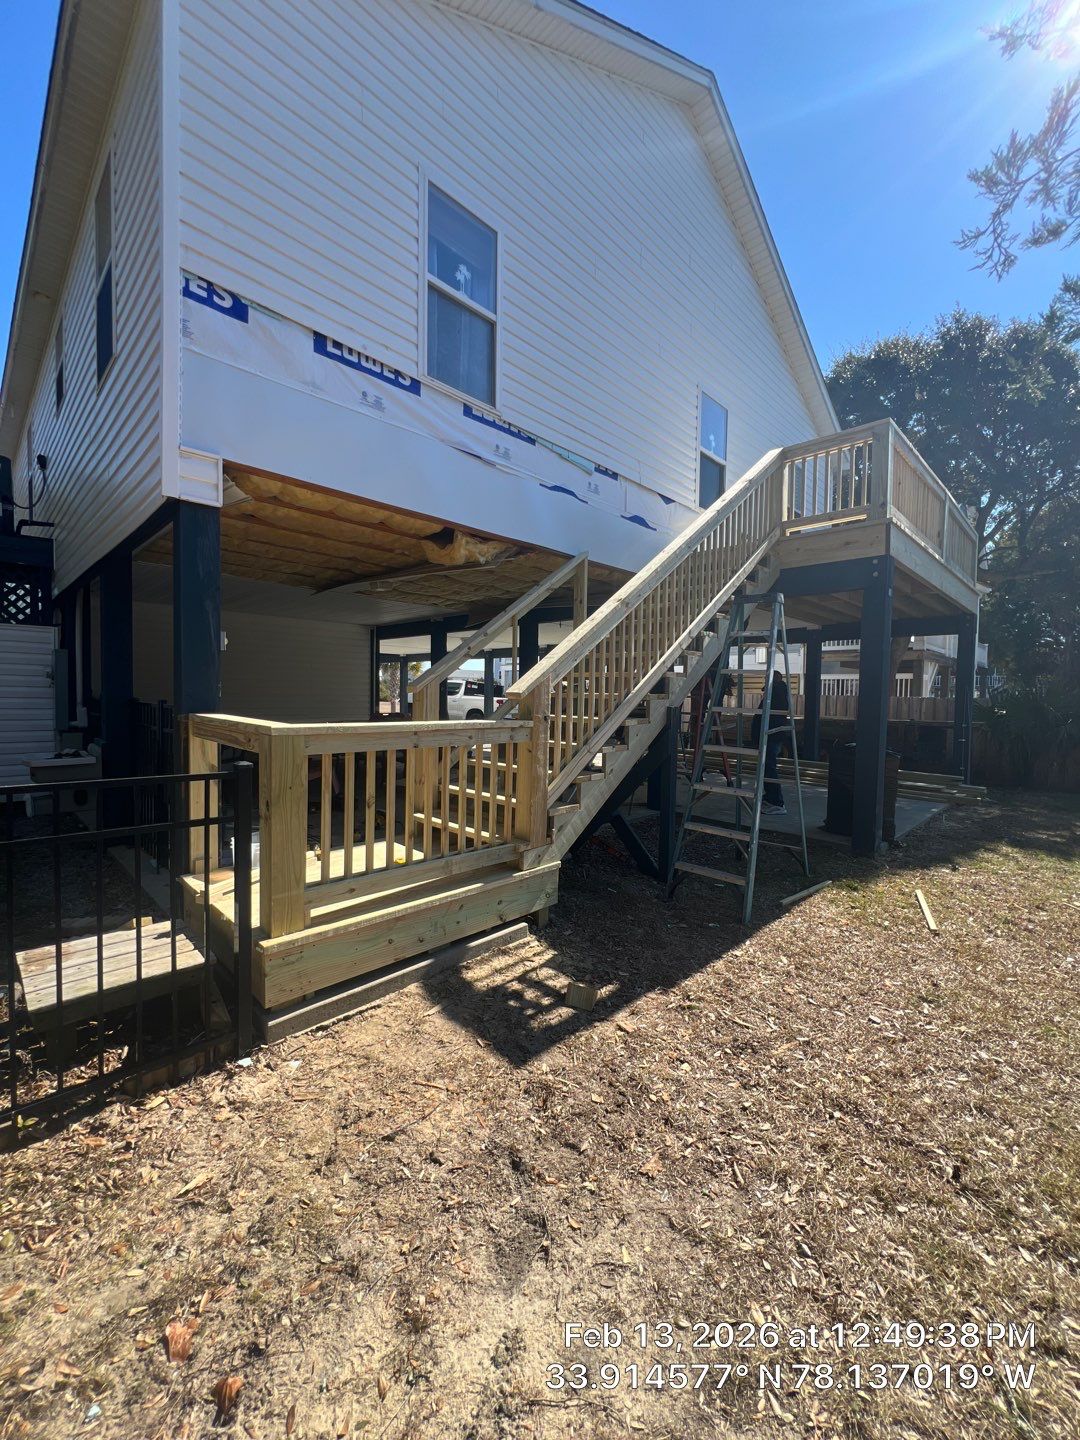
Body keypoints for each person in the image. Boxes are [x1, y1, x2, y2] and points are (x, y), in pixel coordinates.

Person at [751, 670, 790, 814]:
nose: (765, 680)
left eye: (767, 678)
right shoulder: (777, 692)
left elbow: (772, 717)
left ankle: (777, 802)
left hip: (771, 737)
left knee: (769, 768)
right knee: (767, 768)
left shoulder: (776, 692)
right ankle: (770, 798)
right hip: (770, 736)